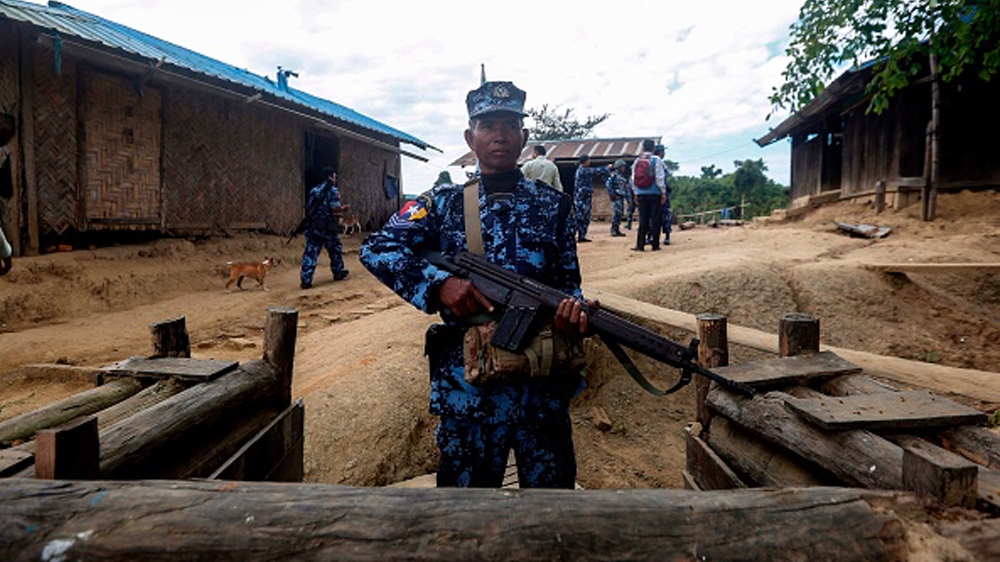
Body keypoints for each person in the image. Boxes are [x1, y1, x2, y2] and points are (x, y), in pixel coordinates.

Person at [359, 80, 590, 489]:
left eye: (508, 124)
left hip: (541, 391)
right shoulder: (441, 203)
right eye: (487, 126)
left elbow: (569, 284)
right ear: (471, 137)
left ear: (524, 135)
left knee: (553, 513)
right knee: (463, 517)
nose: (499, 134)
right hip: (469, 394)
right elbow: (377, 248)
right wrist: (439, 284)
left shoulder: (554, 206)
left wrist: (574, 313)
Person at [299, 167, 350, 289]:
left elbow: (308, 208)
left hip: (313, 226)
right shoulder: (333, 191)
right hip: (327, 227)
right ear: (330, 177)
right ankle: (338, 272)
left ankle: (306, 279)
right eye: (334, 176)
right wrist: (343, 209)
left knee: (311, 252)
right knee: (335, 249)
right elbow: (335, 210)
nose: (335, 178)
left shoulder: (314, 190)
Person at [630, 139, 666, 251]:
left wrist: (635, 192)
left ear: (643, 148)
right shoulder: (656, 160)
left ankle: (640, 245)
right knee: (655, 219)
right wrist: (663, 192)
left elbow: (633, 178)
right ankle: (655, 244)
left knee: (643, 219)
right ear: (653, 148)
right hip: (654, 193)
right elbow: (660, 177)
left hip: (641, 193)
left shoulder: (637, 160)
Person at [573, 154, 608, 243]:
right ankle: (576, 235)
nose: (590, 162)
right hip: (582, 198)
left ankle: (582, 236)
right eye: (588, 160)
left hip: (584, 197)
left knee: (585, 217)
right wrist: (607, 167)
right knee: (581, 217)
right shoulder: (582, 170)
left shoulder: (582, 170)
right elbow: (595, 171)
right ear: (586, 161)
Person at [653, 144, 673, 246]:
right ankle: (667, 237)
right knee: (666, 215)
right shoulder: (661, 164)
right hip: (662, 193)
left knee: (653, 216)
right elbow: (663, 180)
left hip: (652, 193)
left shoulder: (650, 162)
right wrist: (665, 191)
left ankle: (651, 237)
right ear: (661, 152)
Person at [605, 159, 630, 237]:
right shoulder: (614, 175)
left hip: (621, 197)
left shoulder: (622, 177)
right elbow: (608, 184)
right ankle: (613, 229)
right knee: (616, 213)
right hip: (616, 197)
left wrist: (629, 199)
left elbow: (626, 189)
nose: (624, 168)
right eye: (622, 167)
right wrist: (611, 194)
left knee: (620, 214)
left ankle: (617, 229)